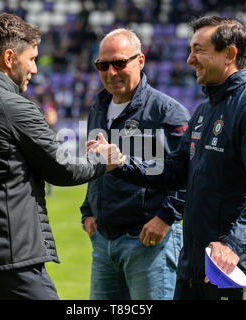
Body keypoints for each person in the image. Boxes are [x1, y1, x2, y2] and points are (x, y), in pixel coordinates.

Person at [0, 13, 123, 300]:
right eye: (31, 59)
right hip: (10, 260)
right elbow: (63, 169)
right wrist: (104, 160)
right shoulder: (14, 107)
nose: (34, 69)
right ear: (9, 58)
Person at [91, 16, 246, 300]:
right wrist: (121, 164)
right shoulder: (203, 111)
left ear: (229, 54)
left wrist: (233, 245)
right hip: (192, 267)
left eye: (198, 49)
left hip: (230, 267)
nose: (189, 59)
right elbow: (174, 172)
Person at [81, 28, 190, 300]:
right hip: (104, 241)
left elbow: (189, 173)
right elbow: (97, 163)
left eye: (119, 63)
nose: (111, 72)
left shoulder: (167, 111)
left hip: (148, 242)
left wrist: (166, 218)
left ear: (140, 61)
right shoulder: (98, 106)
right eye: (103, 65)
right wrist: (87, 210)